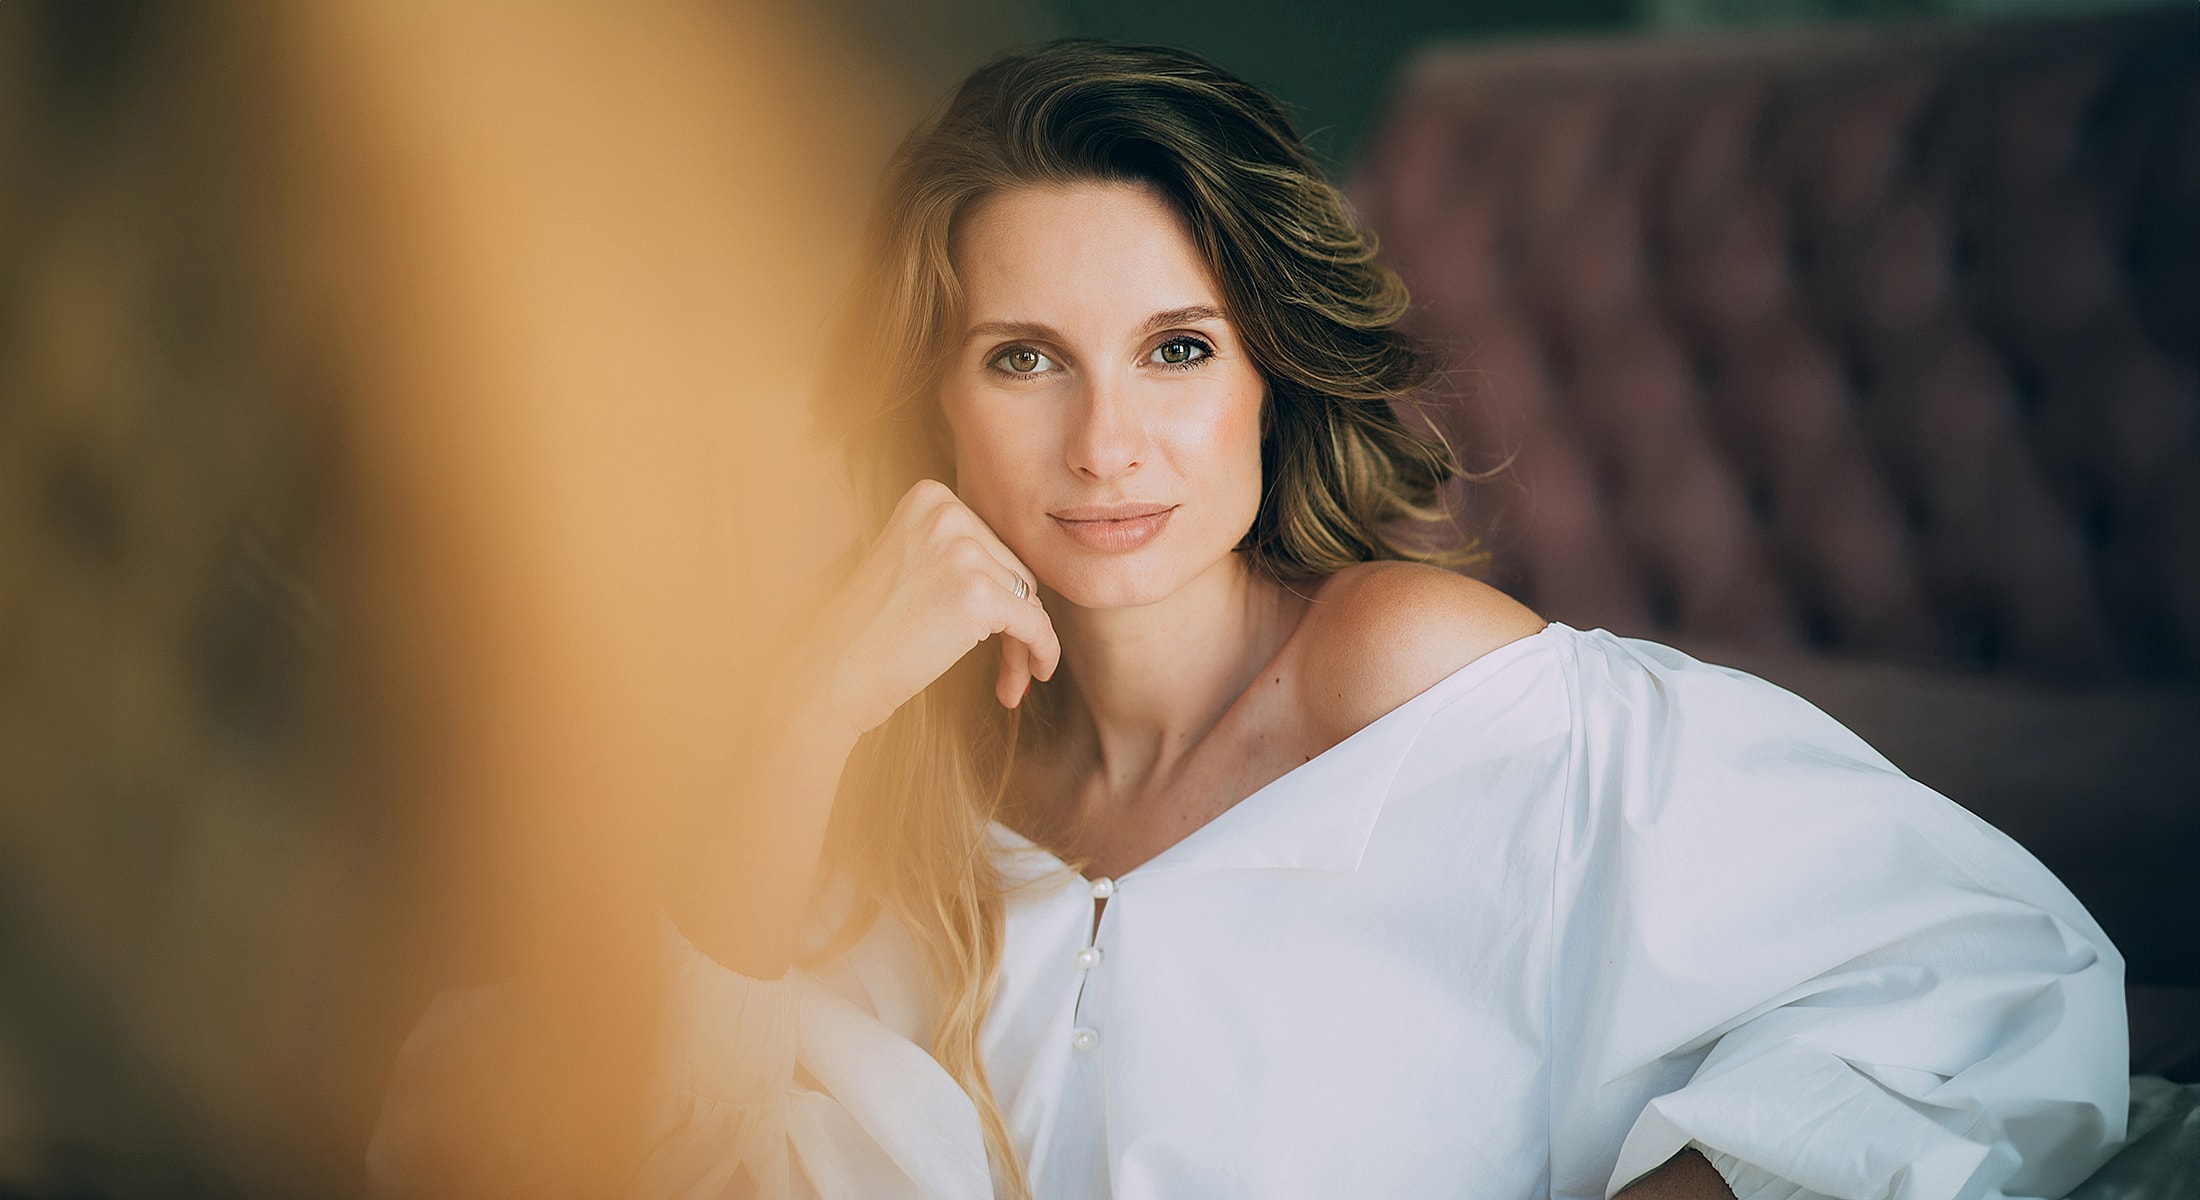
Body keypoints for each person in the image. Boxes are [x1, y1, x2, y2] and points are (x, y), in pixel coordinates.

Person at [373, 39, 2127, 1200]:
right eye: (1022, 360)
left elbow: (1966, 973)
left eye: (1177, 349)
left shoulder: (1406, 675)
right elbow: (613, 1115)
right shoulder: (922, 758)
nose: (1106, 444)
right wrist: (811, 708)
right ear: (938, 404)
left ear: (1270, 375)